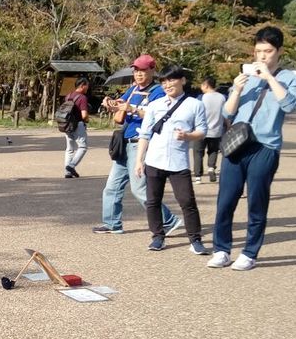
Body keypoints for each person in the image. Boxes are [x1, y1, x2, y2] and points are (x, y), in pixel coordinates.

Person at [209, 26, 296, 271]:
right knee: (226, 200)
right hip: (237, 143)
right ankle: (221, 249)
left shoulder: (290, 79)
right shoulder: (247, 77)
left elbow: (290, 105)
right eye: (258, 51)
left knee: (256, 201)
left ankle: (250, 252)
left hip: (265, 145)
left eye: (268, 51)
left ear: (279, 51)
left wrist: (270, 78)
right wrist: (238, 88)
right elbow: (227, 112)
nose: (262, 56)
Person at [93, 55, 181, 235]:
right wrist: (112, 105)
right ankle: (112, 224)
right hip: (124, 143)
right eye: (136, 70)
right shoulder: (132, 90)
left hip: (139, 143)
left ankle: (168, 220)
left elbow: (157, 115)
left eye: (143, 70)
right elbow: (121, 107)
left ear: (152, 71)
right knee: (112, 186)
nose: (138, 74)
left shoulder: (158, 91)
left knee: (139, 188)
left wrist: (132, 109)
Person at [134, 66, 209, 254]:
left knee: (187, 201)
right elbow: (145, 134)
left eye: (171, 80)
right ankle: (158, 236)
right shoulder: (155, 105)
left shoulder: (195, 104)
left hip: (178, 161)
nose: (167, 84)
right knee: (153, 201)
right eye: (164, 81)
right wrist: (139, 160)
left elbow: (202, 131)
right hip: (154, 159)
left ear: (182, 80)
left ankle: (195, 240)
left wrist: (188, 136)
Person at [192, 77, 227, 183]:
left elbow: (195, 113)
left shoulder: (201, 98)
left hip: (201, 131)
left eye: (202, 85)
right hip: (217, 130)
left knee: (198, 152)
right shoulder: (223, 98)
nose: (201, 88)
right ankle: (211, 168)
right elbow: (226, 113)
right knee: (213, 151)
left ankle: (198, 176)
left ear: (206, 85)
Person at [63, 77, 90, 178]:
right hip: (78, 124)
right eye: (87, 86)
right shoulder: (82, 98)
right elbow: (84, 115)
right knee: (82, 147)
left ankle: (68, 172)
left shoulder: (68, 96)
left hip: (66, 124)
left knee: (70, 149)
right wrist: (87, 120)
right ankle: (71, 165)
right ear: (82, 85)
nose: (87, 88)